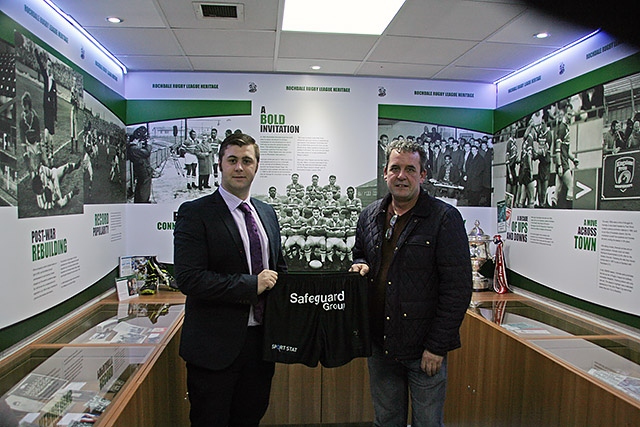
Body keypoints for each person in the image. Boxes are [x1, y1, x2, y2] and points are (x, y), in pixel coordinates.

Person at [349, 139, 472, 427]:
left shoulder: (444, 218)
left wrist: (437, 347)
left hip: (424, 352)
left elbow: (457, 289)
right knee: (386, 420)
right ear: (385, 172)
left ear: (423, 174)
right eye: (395, 168)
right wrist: (360, 265)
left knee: (427, 423)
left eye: (409, 169)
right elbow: (359, 255)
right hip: (381, 347)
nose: (401, 176)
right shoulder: (370, 216)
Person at [173, 133, 287, 427]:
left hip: (260, 346)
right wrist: (252, 285)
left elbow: (279, 272)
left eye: (246, 161)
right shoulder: (195, 213)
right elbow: (189, 278)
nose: (239, 167)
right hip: (214, 349)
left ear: (256, 166)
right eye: (232, 160)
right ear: (220, 164)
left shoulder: (267, 213)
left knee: (250, 419)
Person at [35, 50, 57, 164]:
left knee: (51, 137)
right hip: (46, 110)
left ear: (51, 67)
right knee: (45, 134)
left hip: (51, 112)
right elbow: (39, 64)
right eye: (47, 65)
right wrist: (36, 54)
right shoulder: (45, 76)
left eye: (49, 66)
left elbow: (55, 100)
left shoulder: (53, 82)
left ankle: (51, 156)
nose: (48, 67)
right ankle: (47, 156)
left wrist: (56, 117)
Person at [127, 126, 153, 203]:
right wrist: (149, 144)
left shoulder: (132, 148)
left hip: (141, 168)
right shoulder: (133, 149)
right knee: (144, 188)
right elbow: (146, 153)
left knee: (141, 186)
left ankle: (140, 201)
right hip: (143, 170)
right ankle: (143, 202)